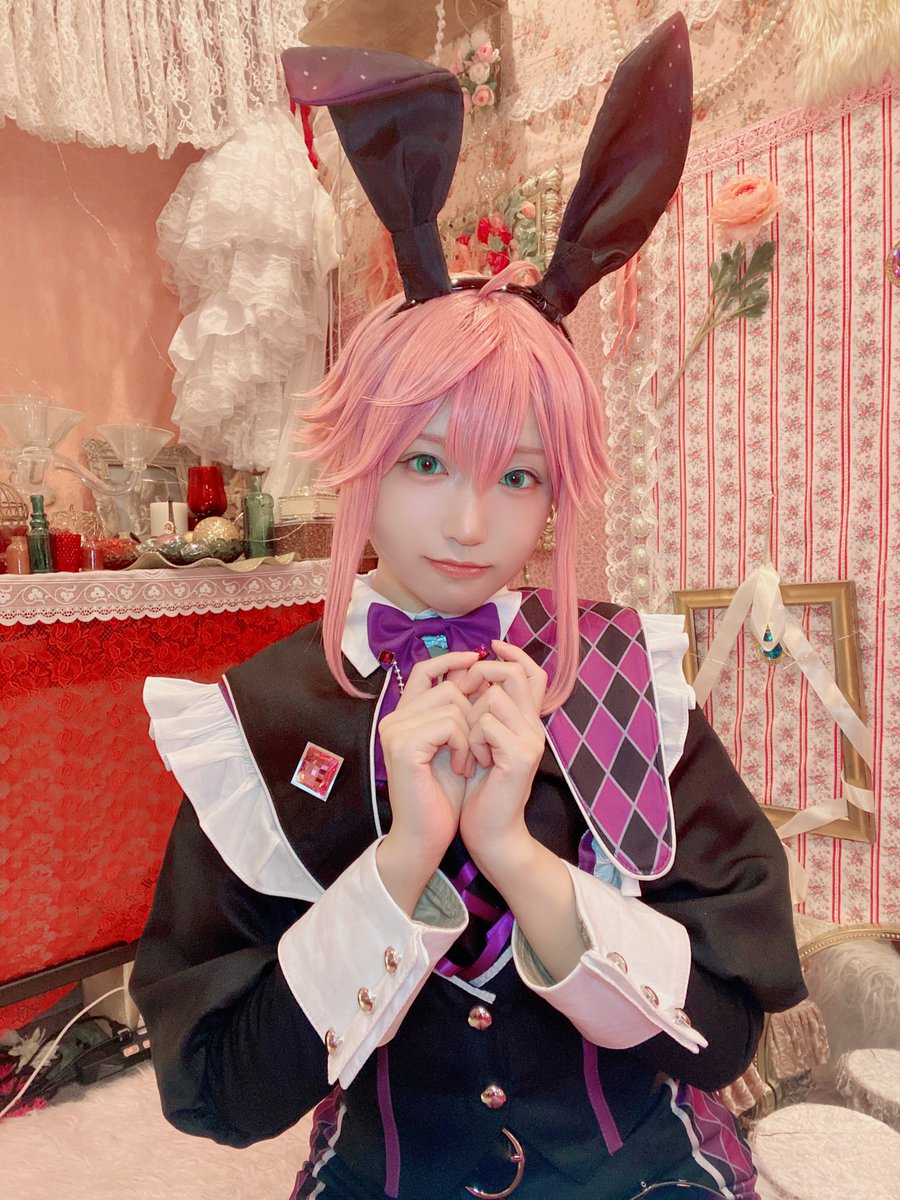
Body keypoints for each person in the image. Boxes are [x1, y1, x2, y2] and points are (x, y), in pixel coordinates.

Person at [130, 19, 807, 1200]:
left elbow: (725, 1035)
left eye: (520, 476)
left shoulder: (623, 677)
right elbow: (220, 1094)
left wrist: (514, 856)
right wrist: (403, 860)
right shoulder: (266, 720)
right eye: (427, 462)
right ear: (363, 457)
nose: (471, 523)